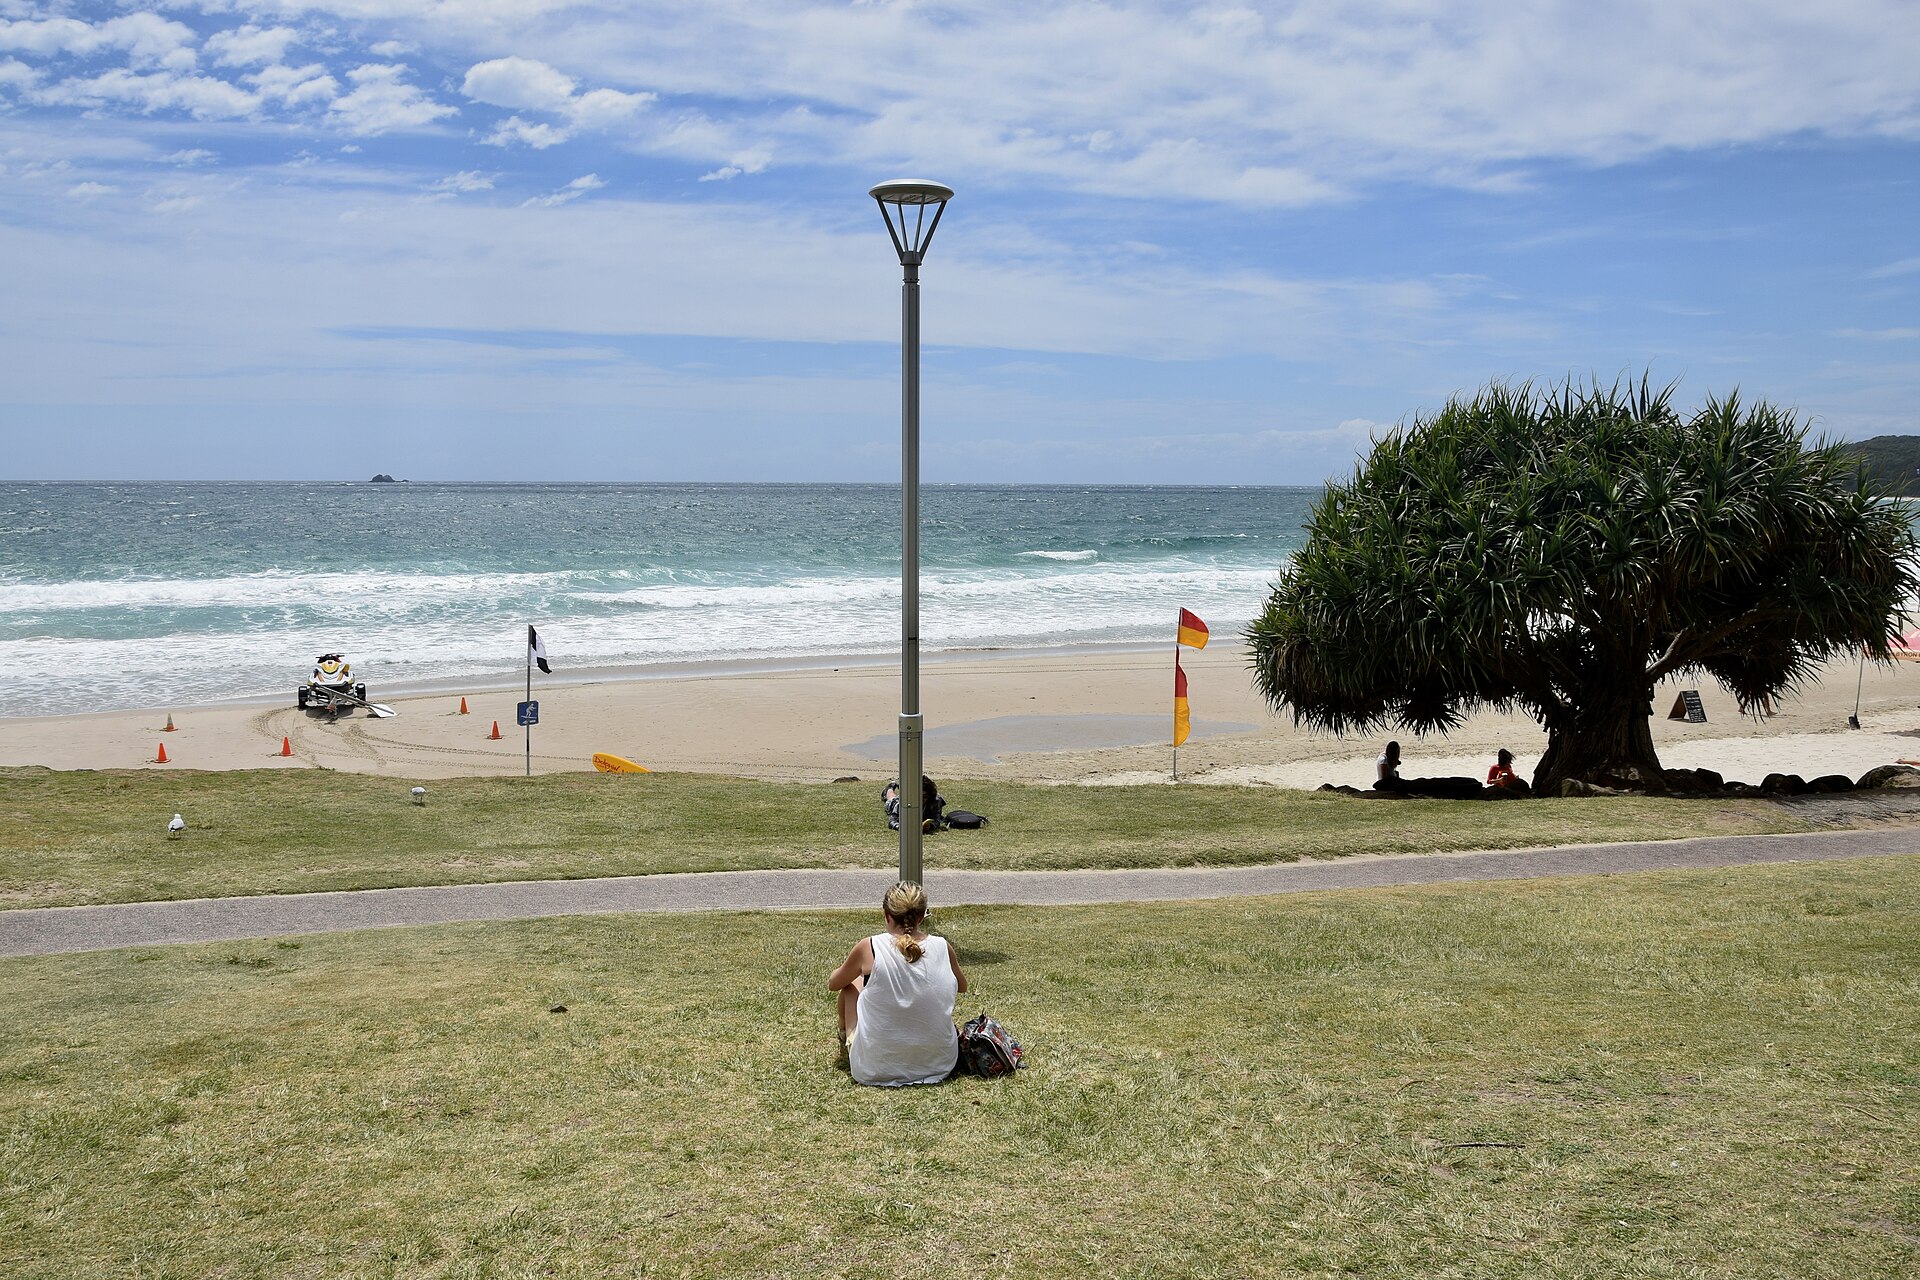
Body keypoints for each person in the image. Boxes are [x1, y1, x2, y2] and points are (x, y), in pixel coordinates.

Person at [828, 881, 968, 1087]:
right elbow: (962, 986)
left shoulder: (870, 946)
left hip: (873, 1068)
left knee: (851, 985)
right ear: (922, 916)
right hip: (939, 1065)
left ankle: (845, 1037)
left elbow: (834, 983)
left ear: (886, 914)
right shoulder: (942, 946)